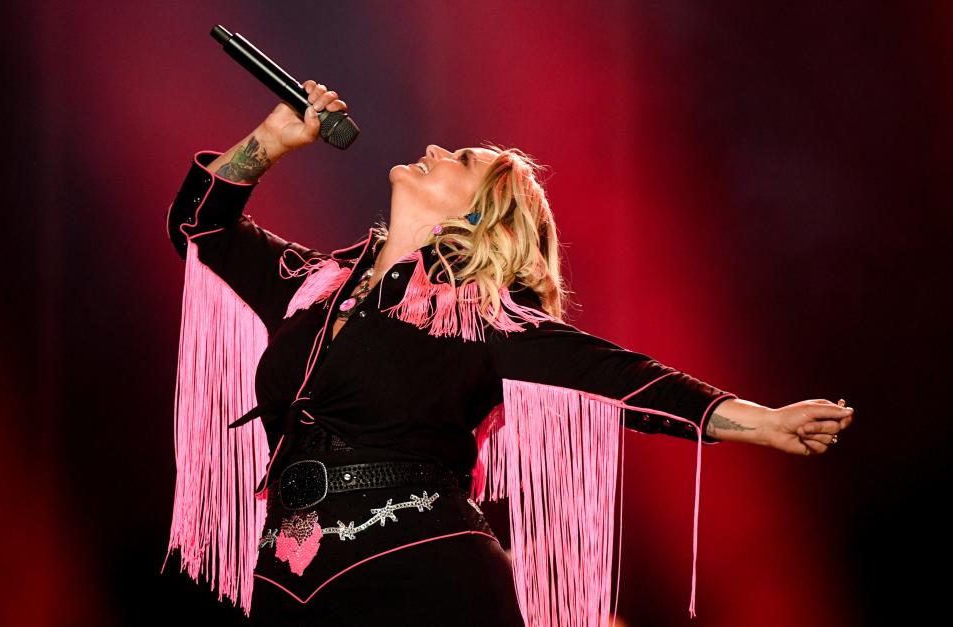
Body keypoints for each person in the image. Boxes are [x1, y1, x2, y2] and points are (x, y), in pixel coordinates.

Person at [160, 80, 856, 627]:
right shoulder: (310, 287)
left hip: (420, 573)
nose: (437, 149)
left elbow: (620, 379)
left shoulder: (483, 317)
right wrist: (272, 140)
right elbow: (199, 224)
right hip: (288, 579)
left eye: (462, 161)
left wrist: (757, 420)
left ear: (480, 217)